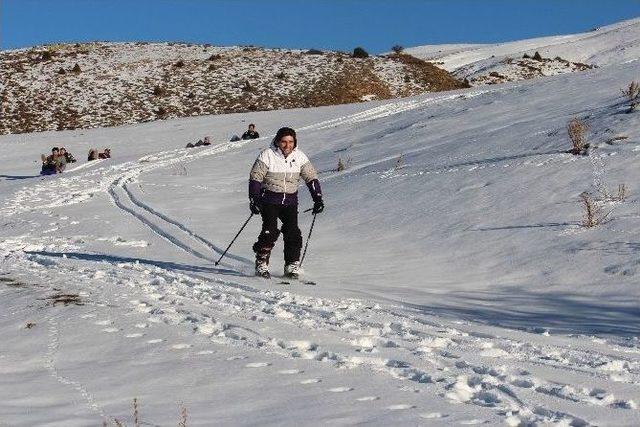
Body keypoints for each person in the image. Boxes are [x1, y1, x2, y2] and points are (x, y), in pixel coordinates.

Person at [248, 127, 324, 279]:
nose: (287, 145)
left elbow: (311, 177)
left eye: (291, 142)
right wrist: (254, 199)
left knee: (293, 232)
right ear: (277, 141)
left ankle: (291, 264)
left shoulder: (299, 156)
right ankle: (261, 260)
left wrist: (318, 198)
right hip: (269, 200)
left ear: (295, 142)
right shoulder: (267, 155)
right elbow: (255, 178)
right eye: (283, 141)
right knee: (270, 230)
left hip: (290, 201)